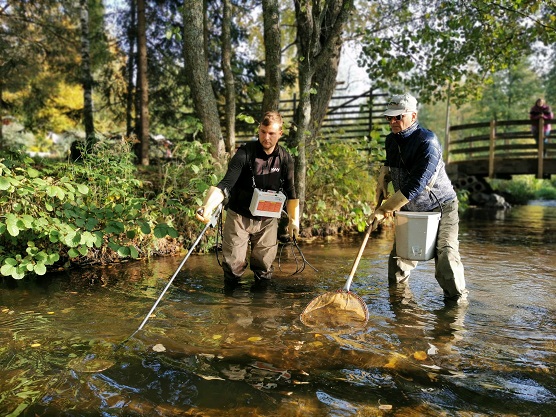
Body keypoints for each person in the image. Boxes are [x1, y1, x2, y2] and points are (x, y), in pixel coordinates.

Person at [372, 92, 468, 304]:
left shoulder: (428, 142)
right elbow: (389, 165)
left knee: (446, 258)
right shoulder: (391, 141)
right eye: (390, 118)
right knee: (398, 261)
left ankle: (455, 308)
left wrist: (384, 210)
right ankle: (400, 304)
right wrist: (382, 178)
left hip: (441, 207)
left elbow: (416, 186)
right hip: (411, 210)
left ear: (413, 116)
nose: (393, 122)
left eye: (399, 117)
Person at [196, 111, 299, 288]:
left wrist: (294, 221)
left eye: (271, 133)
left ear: (280, 133)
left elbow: (291, 192)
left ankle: (261, 308)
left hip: (267, 219)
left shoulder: (285, 159)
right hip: (239, 216)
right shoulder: (244, 154)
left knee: (264, 268)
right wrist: (207, 206)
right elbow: (225, 185)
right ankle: (232, 307)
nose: (266, 137)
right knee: (233, 266)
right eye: (263, 132)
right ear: (259, 130)